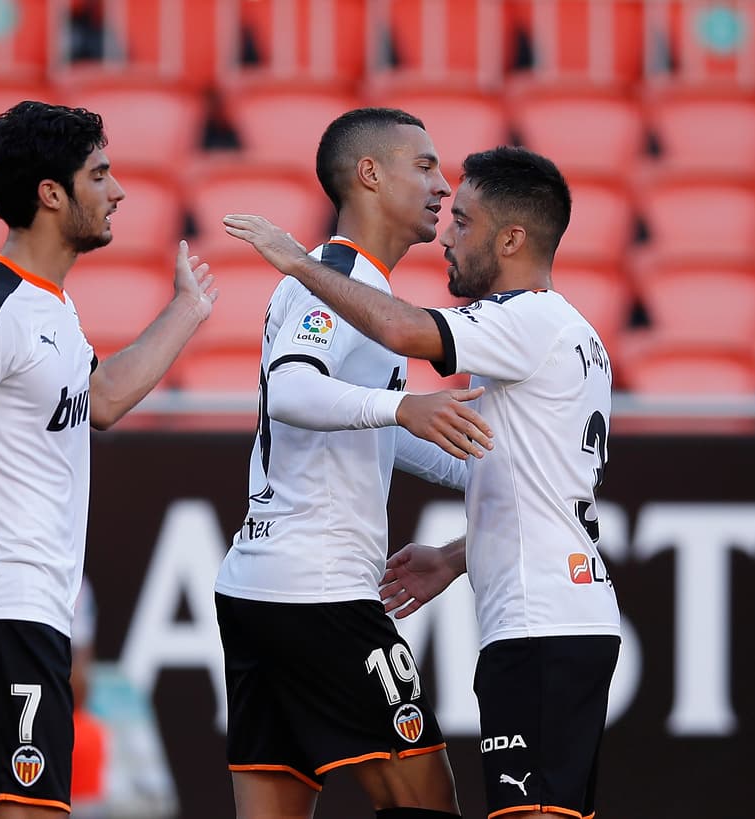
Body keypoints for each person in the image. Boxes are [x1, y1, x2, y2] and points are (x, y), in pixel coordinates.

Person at [223, 145, 621, 819]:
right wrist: (455, 553)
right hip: (505, 608)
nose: (446, 224)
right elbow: (515, 470)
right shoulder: (572, 335)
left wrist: (297, 259)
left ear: (512, 238)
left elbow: (404, 331)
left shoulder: (521, 321)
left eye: (463, 220)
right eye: (430, 176)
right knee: (439, 800)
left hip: (539, 622)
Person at [0, 101, 218, 818]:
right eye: (99, 174)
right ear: (51, 193)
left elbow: (100, 399)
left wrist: (185, 313)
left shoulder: (52, 308)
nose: (119, 191)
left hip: (24, 614)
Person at [213, 107, 494, 819]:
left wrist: (466, 464)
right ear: (369, 174)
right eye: (425, 165)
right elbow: (295, 388)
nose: (443, 184)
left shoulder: (353, 285)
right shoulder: (334, 276)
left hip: (260, 587)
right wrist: (402, 408)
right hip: (319, 593)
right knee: (426, 800)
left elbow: (354, 420)